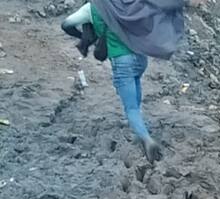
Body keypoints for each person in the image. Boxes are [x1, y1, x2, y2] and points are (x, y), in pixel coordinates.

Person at [61, 1, 190, 161]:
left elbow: (66, 25)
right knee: (135, 98)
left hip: (122, 62)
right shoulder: (129, 3)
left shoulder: (92, 7)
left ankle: (147, 141)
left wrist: (85, 37)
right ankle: (141, 129)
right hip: (140, 58)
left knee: (130, 108)